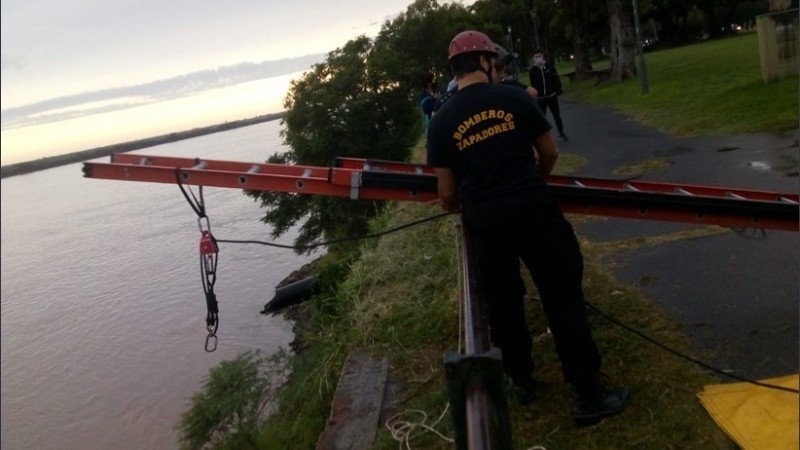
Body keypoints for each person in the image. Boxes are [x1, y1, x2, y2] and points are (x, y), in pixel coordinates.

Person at [426, 30, 630, 427]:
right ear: (486, 62)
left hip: (486, 222)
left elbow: (447, 192)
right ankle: (588, 394)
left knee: (504, 304)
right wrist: (532, 180)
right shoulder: (516, 97)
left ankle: (521, 381)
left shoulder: (441, 120)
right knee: (562, 296)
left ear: (455, 69)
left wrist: (468, 201)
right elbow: (550, 151)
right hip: (534, 210)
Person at [528, 50, 568, 141]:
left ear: (542, 56)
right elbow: (533, 84)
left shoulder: (549, 67)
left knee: (556, 115)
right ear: (534, 59)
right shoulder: (533, 71)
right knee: (541, 117)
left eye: (539, 56)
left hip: (552, 96)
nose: (538, 58)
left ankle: (561, 133)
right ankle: (545, 138)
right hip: (541, 98)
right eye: (536, 57)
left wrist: (557, 89)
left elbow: (555, 79)